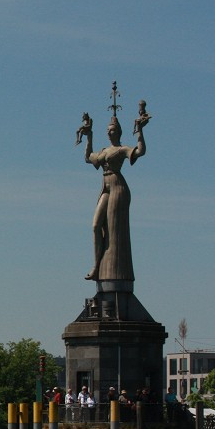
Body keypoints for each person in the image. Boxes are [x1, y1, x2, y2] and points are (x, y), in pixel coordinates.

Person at [78, 87, 148, 282]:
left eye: (112, 131)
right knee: (96, 226)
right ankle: (96, 266)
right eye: (108, 131)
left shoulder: (122, 149)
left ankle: (110, 270)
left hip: (118, 187)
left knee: (115, 230)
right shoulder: (103, 150)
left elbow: (140, 151)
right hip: (106, 187)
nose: (110, 133)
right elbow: (88, 158)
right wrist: (89, 136)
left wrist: (140, 131)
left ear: (118, 132)